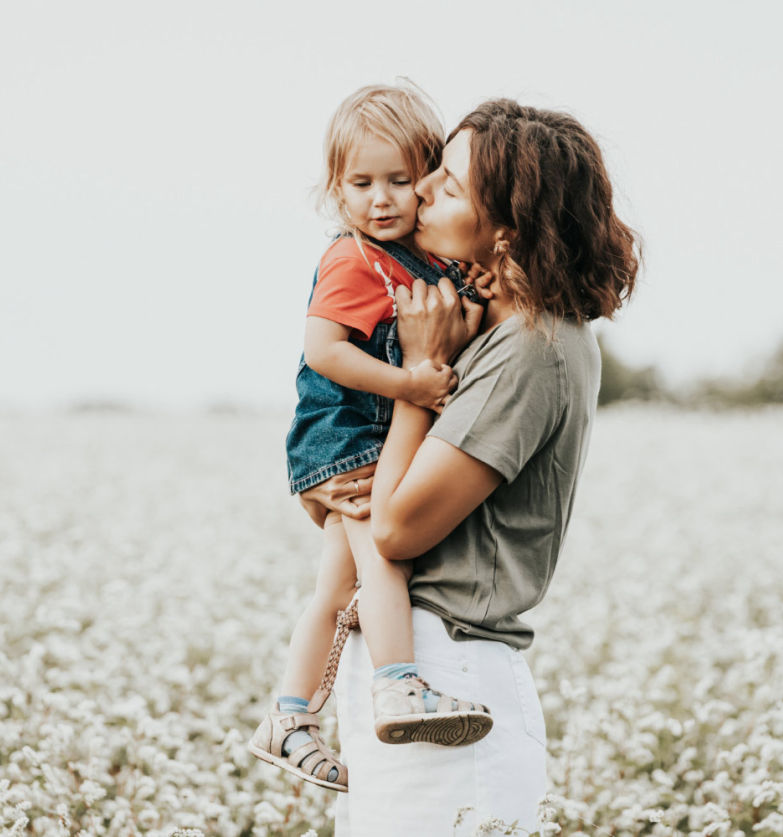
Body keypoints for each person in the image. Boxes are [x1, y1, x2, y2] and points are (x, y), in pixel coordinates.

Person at [299, 99, 641, 834]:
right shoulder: (493, 328)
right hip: (413, 676)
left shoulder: (534, 349)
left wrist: (422, 369)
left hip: (449, 674)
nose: (419, 191)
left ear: (507, 228)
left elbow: (394, 528)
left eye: (446, 186)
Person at [249, 83, 494, 794]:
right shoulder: (354, 260)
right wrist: (410, 386)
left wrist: (472, 300)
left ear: (431, 179)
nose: (381, 198)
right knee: (384, 560)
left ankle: (288, 716)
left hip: (369, 433)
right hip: (348, 434)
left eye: (399, 179)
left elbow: (454, 330)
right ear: (335, 187)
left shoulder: (423, 258)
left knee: (334, 582)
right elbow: (325, 351)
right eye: (361, 182)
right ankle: (398, 685)